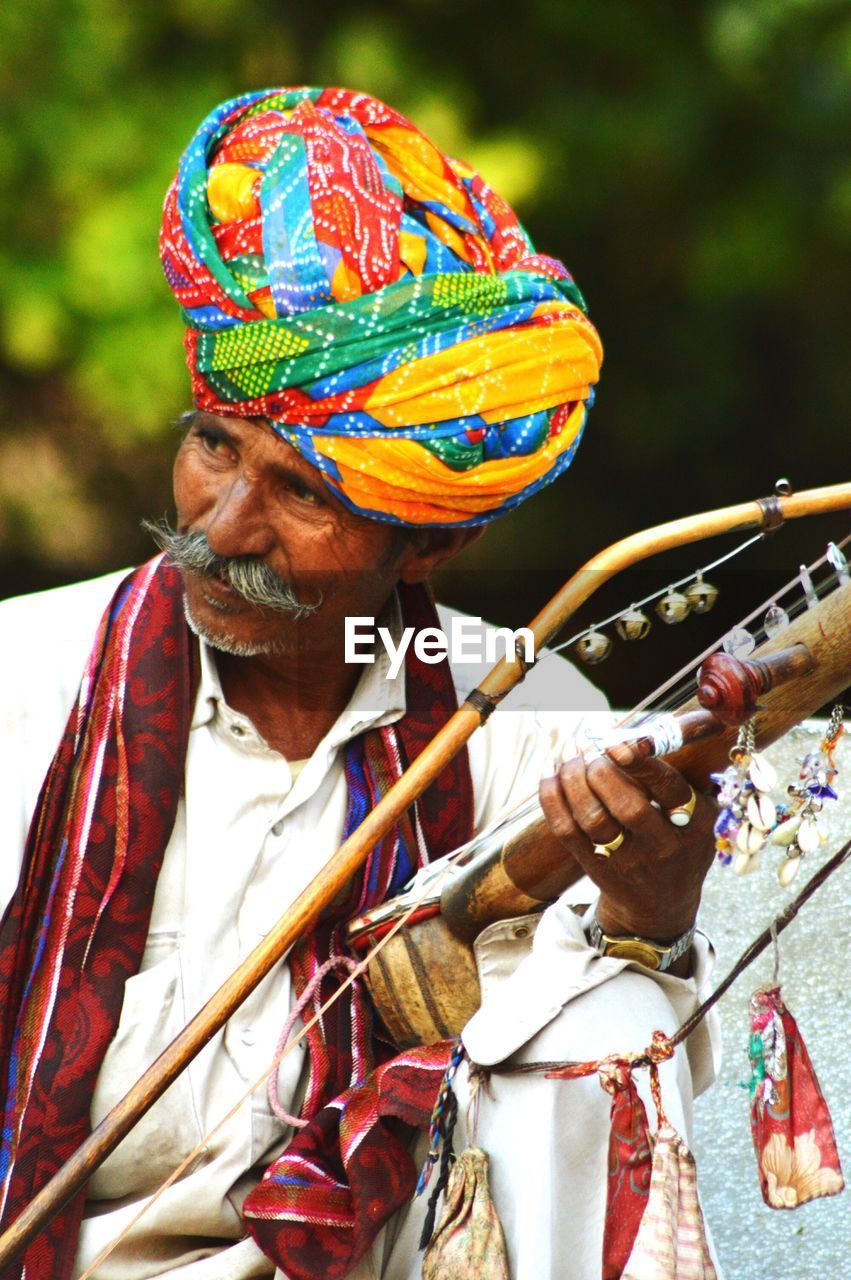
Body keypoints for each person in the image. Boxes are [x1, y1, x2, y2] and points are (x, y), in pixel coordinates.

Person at [0, 88, 720, 1280]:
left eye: (303, 493)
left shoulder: (521, 722)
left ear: (427, 547)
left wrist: (652, 919)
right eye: (213, 444)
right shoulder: (21, 681)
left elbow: (587, 1099)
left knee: (617, 1007)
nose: (221, 526)